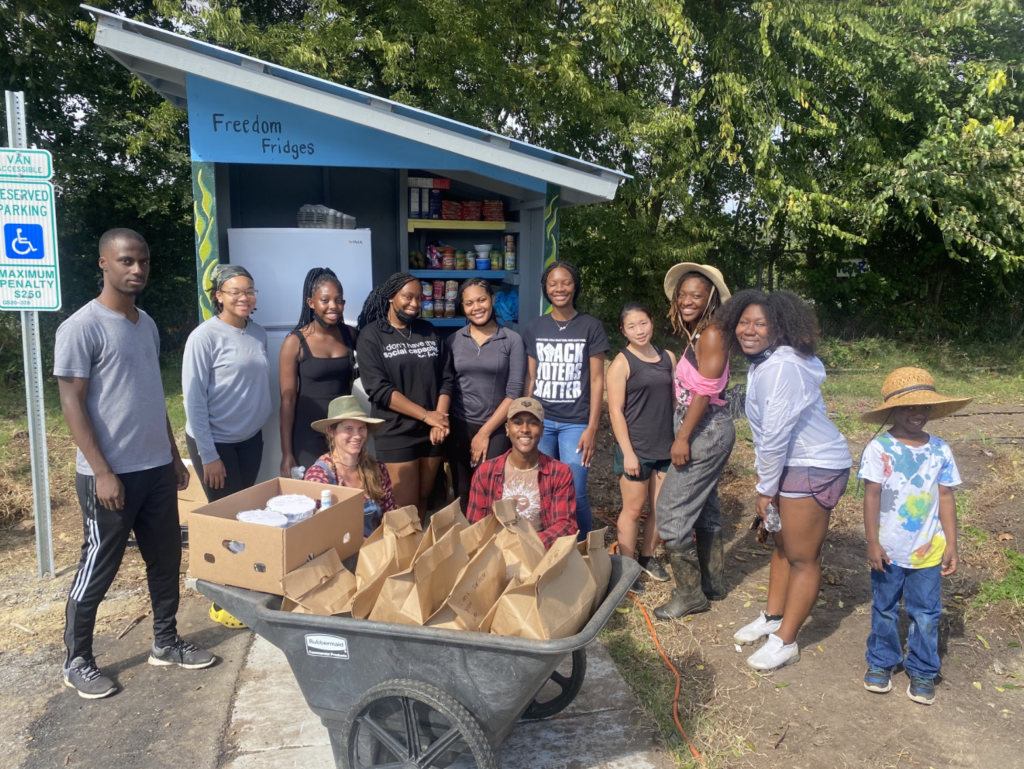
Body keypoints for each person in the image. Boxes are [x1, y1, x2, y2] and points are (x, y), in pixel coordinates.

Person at [53, 228, 214, 700]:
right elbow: (72, 404)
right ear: (103, 263)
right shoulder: (81, 326)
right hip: (109, 475)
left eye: (142, 260)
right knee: (98, 567)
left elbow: (151, 397)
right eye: (126, 261)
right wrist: (101, 470)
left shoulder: (145, 324)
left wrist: (171, 455)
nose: (137, 269)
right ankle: (77, 660)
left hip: (156, 469)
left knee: (165, 560)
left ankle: (165, 642)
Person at [722, 289, 852, 671]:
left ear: (779, 328)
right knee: (782, 547)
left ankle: (786, 641)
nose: (749, 330)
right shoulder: (767, 363)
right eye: (744, 322)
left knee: (801, 556)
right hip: (791, 465)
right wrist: (768, 485)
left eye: (760, 323)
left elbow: (776, 433)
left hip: (811, 466)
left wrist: (765, 489)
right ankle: (773, 617)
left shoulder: (782, 366)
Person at [858, 367, 969, 705]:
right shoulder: (879, 448)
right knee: (886, 607)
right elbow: (872, 496)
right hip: (889, 548)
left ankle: (922, 669)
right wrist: (872, 541)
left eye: (923, 408)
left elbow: (946, 497)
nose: (916, 414)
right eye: (908, 407)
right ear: (893, 410)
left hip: (928, 549)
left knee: (925, 612)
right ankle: (882, 662)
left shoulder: (940, 450)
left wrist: (951, 542)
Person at [653, 263, 736, 620]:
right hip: (700, 423)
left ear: (711, 298)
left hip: (705, 428)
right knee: (704, 504)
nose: (687, 300)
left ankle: (689, 596)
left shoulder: (713, 333)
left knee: (670, 511)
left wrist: (682, 437)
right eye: (683, 294)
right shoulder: (696, 332)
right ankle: (711, 584)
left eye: (696, 295)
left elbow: (704, 392)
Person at [357, 272, 454, 517]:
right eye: (408, 297)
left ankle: (417, 553)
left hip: (432, 432)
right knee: (403, 509)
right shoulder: (371, 335)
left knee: (423, 501)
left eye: (419, 299)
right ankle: (402, 555)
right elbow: (379, 389)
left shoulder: (428, 330)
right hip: (396, 432)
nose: (415, 304)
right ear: (391, 297)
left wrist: (439, 419)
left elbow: (447, 378)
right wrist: (427, 416)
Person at [523, 261, 608, 539]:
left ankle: (584, 549)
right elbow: (531, 379)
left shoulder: (590, 327)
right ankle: (550, 545)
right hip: (541, 423)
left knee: (576, 491)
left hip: (576, 424)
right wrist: (526, 418)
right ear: (545, 290)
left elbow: (597, 380)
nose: (560, 288)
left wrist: (592, 427)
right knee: (543, 489)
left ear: (575, 286)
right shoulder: (535, 327)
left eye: (566, 282)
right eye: (553, 284)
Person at [182, 265, 272, 501]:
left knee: (244, 505)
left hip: (250, 439)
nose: (244, 298)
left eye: (250, 291)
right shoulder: (204, 337)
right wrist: (208, 456)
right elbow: (194, 400)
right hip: (217, 441)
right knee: (225, 512)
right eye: (235, 292)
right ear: (219, 296)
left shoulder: (259, 334)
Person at [606, 302, 674, 593]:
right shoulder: (622, 362)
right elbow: (616, 412)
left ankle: (647, 557)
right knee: (633, 510)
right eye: (631, 326)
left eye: (643, 323)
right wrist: (629, 452)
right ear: (623, 331)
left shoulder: (668, 357)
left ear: (652, 323)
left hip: (666, 446)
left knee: (660, 508)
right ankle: (626, 567)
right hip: (636, 448)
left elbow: (674, 402)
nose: (639, 330)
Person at [449, 278, 526, 509]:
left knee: (489, 491)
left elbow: (514, 393)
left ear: (492, 300)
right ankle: (465, 542)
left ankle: (490, 543)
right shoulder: (453, 340)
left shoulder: (512, 340)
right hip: (460, 425)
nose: (477, 307)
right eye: (469, 303)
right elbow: (447, 386)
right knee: (462, 491)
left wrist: (484, 433)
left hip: (496, 427)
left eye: (481, 300)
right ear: (463, 307)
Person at [466, 397, 578, 549]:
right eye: (517, 423)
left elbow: (566, 525)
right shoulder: (485, 472)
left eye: (532, 423)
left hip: (541, 553)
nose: (525, 429)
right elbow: (475, 525)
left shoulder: (560, 473)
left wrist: (526, 545)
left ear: (542, 430)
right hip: (495, 553)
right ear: (507, 428)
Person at [279, 267, 357, 478]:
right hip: (308, 435)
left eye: (339, 300)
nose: (333, 306)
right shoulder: (295, 342)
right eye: (325, 300)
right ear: (311, 303)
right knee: (313, 499)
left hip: (344, 432)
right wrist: (287, 453)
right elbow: (288, 400)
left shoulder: (350, 335)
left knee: (344, 495)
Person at [303, 395, 397, 536]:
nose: (357, 435)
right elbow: (314, 532)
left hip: (375, 551)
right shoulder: (318, 475)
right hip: (336, 554)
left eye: (361, 428)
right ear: (331, 432)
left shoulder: (378, 469)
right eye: (348, 429)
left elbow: (389, 516)